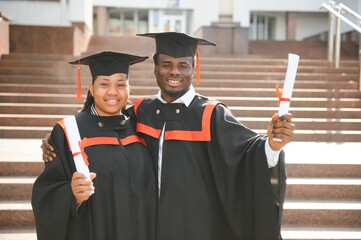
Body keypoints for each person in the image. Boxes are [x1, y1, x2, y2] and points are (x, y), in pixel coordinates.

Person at [42, 32, 295, 240]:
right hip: (147, 229)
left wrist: (272, 146)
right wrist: (57, 138)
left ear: (193, 67)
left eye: (183, 65)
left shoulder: (210, 114)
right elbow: (104, 121)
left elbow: (248, 152)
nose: (174, 72)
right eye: (166, 65)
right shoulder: (142, 110)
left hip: (196, 229)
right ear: (155, 69)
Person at [32, 51, 157, 240]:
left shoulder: (140, 126)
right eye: (104, 84)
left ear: (129, 88)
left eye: (120, 84)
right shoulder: (69, 132)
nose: (113, 92)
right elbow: (46, 194)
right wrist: (72, 195)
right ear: (91, 88)